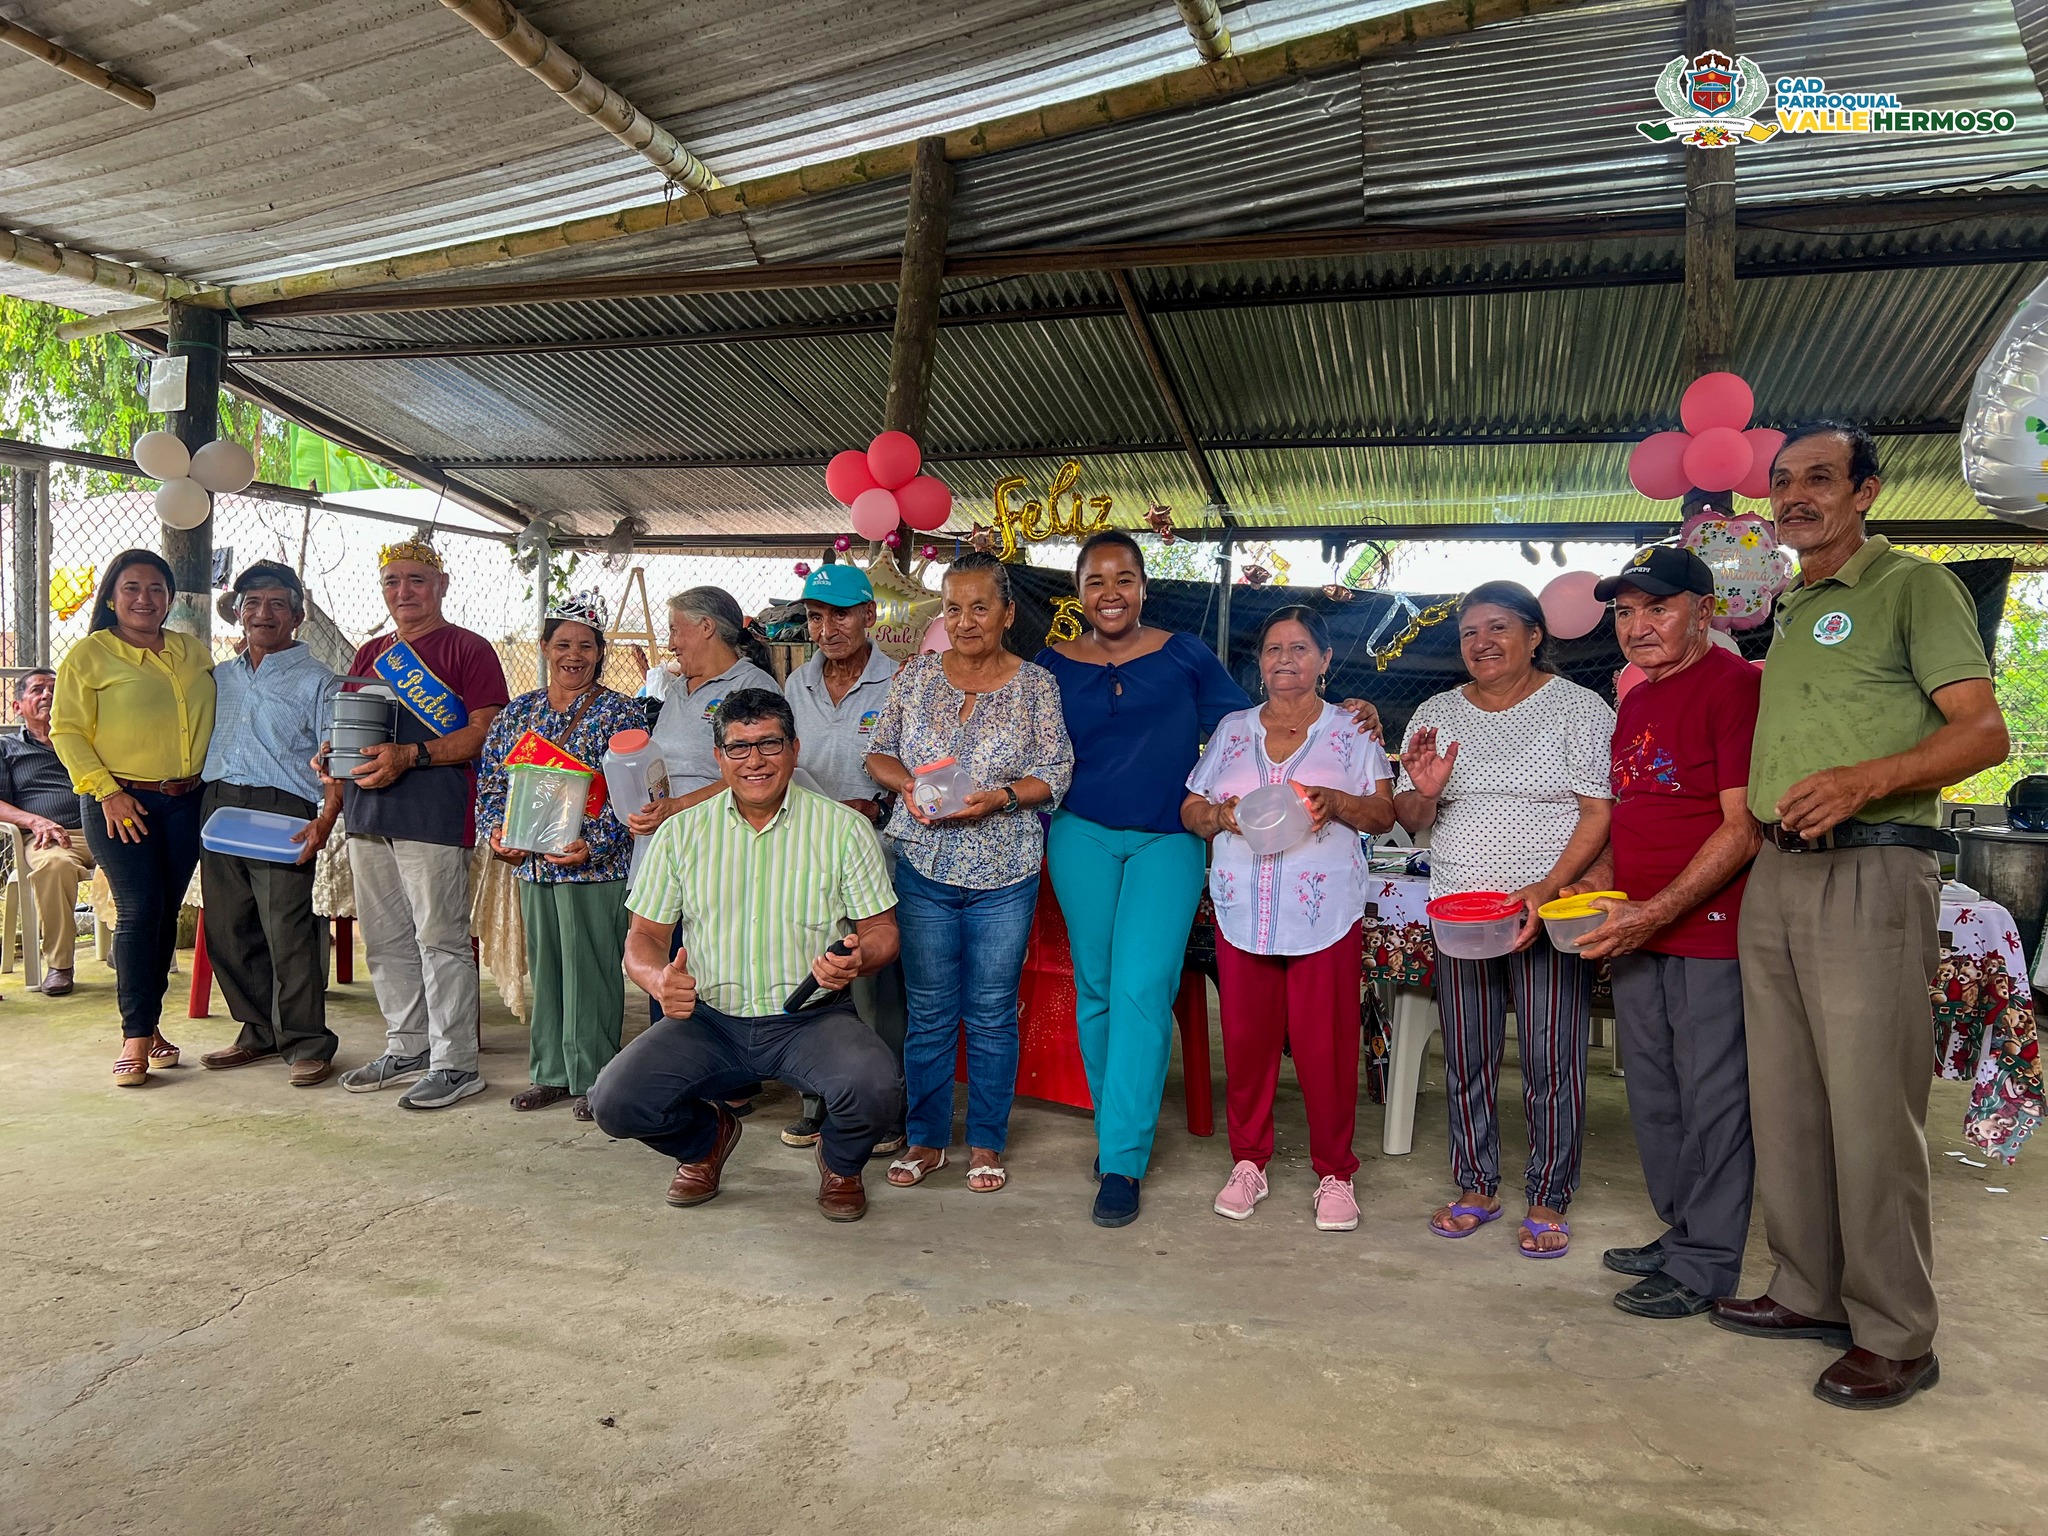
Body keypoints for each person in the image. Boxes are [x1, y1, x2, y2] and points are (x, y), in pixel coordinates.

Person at [1715, 423, 2008, 1410]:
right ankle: (1805, 1288)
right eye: (1781, 482)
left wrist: (1862, 781)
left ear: (1866, 491)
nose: (1794, 496)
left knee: (1870, 1109)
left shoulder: (1912, 587)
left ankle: (1894, 1332)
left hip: (1871, 866)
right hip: (1778, 870)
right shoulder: (1792, 604)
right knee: (1786, 1100)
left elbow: (1983, 733)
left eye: (1819, 478)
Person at [588, 689, 903, 1222]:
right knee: (615, 1102)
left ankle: (841, 1164)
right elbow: (643, 939)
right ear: (719, 757)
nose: (754, 760)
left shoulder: (843, 829)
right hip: (709, 1021)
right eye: (738, 747)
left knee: (876, 1086)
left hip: (810, 1018)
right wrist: (657, 980)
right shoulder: (681, 833)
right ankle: (706, 1141)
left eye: (769, 744)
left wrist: (858, 959)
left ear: (794, 749)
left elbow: (883, 932)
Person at [1559, 548, 1761, 1319]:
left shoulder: (1736, 688)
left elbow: (1741, 828)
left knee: (1714, 1099)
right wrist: (1600, 883)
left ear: (1704, 611)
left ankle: (1707, 1264)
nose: (1637, 626)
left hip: (1708, 930)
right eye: (1624, 612)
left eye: (1658, 608)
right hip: (1637, 927)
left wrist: (1656, 909)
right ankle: (1683, 1233)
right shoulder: (1638, 699)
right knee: (1654, 1093)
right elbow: (1636, 813)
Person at [1394, 580, 1613, 1257]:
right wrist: (1426, 793)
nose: (1481, 642)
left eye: (1497, 628)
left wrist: (1546, 889)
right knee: (1467, 1054)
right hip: (1463, 912)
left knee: (1553, 1057)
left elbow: (1599, 811)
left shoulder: (1579, 708)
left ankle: (1549, 1195)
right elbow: (1410, 816)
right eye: (1469, 632)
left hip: (1549, 909)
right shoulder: (1436, 713)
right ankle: (1476, 1185)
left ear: (1535, 635)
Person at [865, 553, 1073, 1197]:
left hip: (1004, 872)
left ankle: (985, 1140)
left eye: (980, 607)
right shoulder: (917, 675)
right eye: (953, 608)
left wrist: (1002, 798)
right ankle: (926, 1140)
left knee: (989, 1011)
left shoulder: (1036, 685)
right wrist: (908, 785)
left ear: (1007, 613)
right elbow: (878, 752)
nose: (964, 621)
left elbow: (1056, 771)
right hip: (923, 867)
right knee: (929, 1010)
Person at [1182, 606, 1395, 1233]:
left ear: (1325, 660)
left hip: (1323, 914)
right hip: (1243, 908)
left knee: (1325, 1047)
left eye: (1300, 648)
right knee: (1246, 1044)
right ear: (1260, 662)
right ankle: (1249, 1162)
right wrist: (1218, 817)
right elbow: (1191, 806)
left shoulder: (1352, 728)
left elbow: (1384, 814)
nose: (1284, 660)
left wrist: (1340, 802)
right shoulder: (1232, 729)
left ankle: (1336, 1172)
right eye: (1274, 649)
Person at [332, 535, 509, 1110]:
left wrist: (413, 755)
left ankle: (456, 1063)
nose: (403, 591)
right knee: (384, 939)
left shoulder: (469, 648)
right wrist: (332, 754)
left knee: (440, 940)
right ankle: (407, 1046)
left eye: (416, 580)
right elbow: (355, 723)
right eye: (393, 581)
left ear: (441, 586)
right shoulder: (370, 651)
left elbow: (485, 732)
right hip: (368, 813)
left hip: (433, 813)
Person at [51, 549, 216, 1087]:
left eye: (156, 589)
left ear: (170, 598)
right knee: (140, 908)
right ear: (111, 597)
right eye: (132, 588)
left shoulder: (192, 651)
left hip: (186, 801)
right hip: (120, 803)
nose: (145, 598)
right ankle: (135, 1036)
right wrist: (107, 792)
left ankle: (152, 1026)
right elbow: (67, 731)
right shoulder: (90, 655)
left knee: (165, 912)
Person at [476, 592, 642, 1120]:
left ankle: (595, 1079)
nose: (574, 655)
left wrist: (596, 841)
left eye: (586, 646)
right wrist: (497, 832)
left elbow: (636, 794)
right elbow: (492, 784)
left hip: (594, 867)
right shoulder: (518, 713)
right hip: (534, 867)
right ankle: (549, 1072)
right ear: (545, 647)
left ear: (600, 653)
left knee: (591, 970)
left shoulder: (621, 713)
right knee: (546, 970)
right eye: (563, 644)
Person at [624, 587, 781, 1117]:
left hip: (721, 841)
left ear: (707, 627)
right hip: (666, 841)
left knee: (716, 955)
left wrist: (679, 806)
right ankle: (673, 1074)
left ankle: (728, 1081)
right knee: (665, 952)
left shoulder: (751, 686)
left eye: (675, 629)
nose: (671, 642)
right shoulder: (675, 689)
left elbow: (756, 772)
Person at [196, 562, 346, 1087]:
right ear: (238, 613)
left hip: (284, 811)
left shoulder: (320, 681)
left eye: (277, 604)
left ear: (297, 617)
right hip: (218, 806)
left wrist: (326, 819)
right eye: (253, 604)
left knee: (288, 929)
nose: (264, 614)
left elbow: (335, 759)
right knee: (228, 926)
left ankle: (307, 1042)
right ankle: (257, 1030)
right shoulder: (221, 676)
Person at [779, 562, 907, 1151]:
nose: (826, 629)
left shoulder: (899, 681)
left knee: (876, 989)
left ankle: (885, 1108)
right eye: (815, 617)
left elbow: (917, 772)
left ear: (869, 615)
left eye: (840, 615)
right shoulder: (795, 686)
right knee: (815, 979)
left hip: (877, 855)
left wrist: (877, 805)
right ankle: (818, 1102)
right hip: (806, 857)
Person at [0, 668, 94, 994]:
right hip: (48, 839)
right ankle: (60, 964)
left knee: (135, 859)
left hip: (100, 830)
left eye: (54, 689)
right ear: (17, 706)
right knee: (56, 867)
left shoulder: (86, 739)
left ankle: (126, 950)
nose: (48, 695)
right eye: (38, 690)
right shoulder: (7, 748)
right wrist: (35, 821)